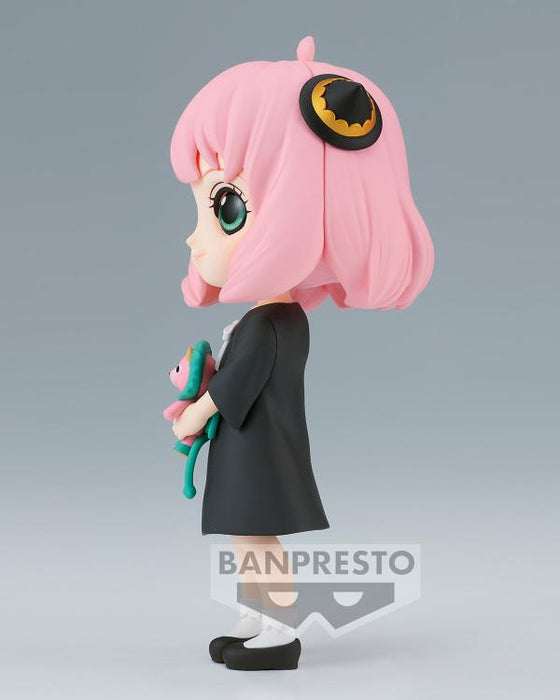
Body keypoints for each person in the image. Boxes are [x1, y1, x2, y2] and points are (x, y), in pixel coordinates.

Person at [168, 35, 434, 671]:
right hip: (248, 450)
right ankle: (254, 619)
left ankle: (279, 632)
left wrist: (194, 414)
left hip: (259, 453)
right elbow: (237, 378)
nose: (194, 237)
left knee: (259, 542)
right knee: (246, 541)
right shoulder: (265, 319)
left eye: (226, 207)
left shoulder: (275, 323)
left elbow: (237, 389)